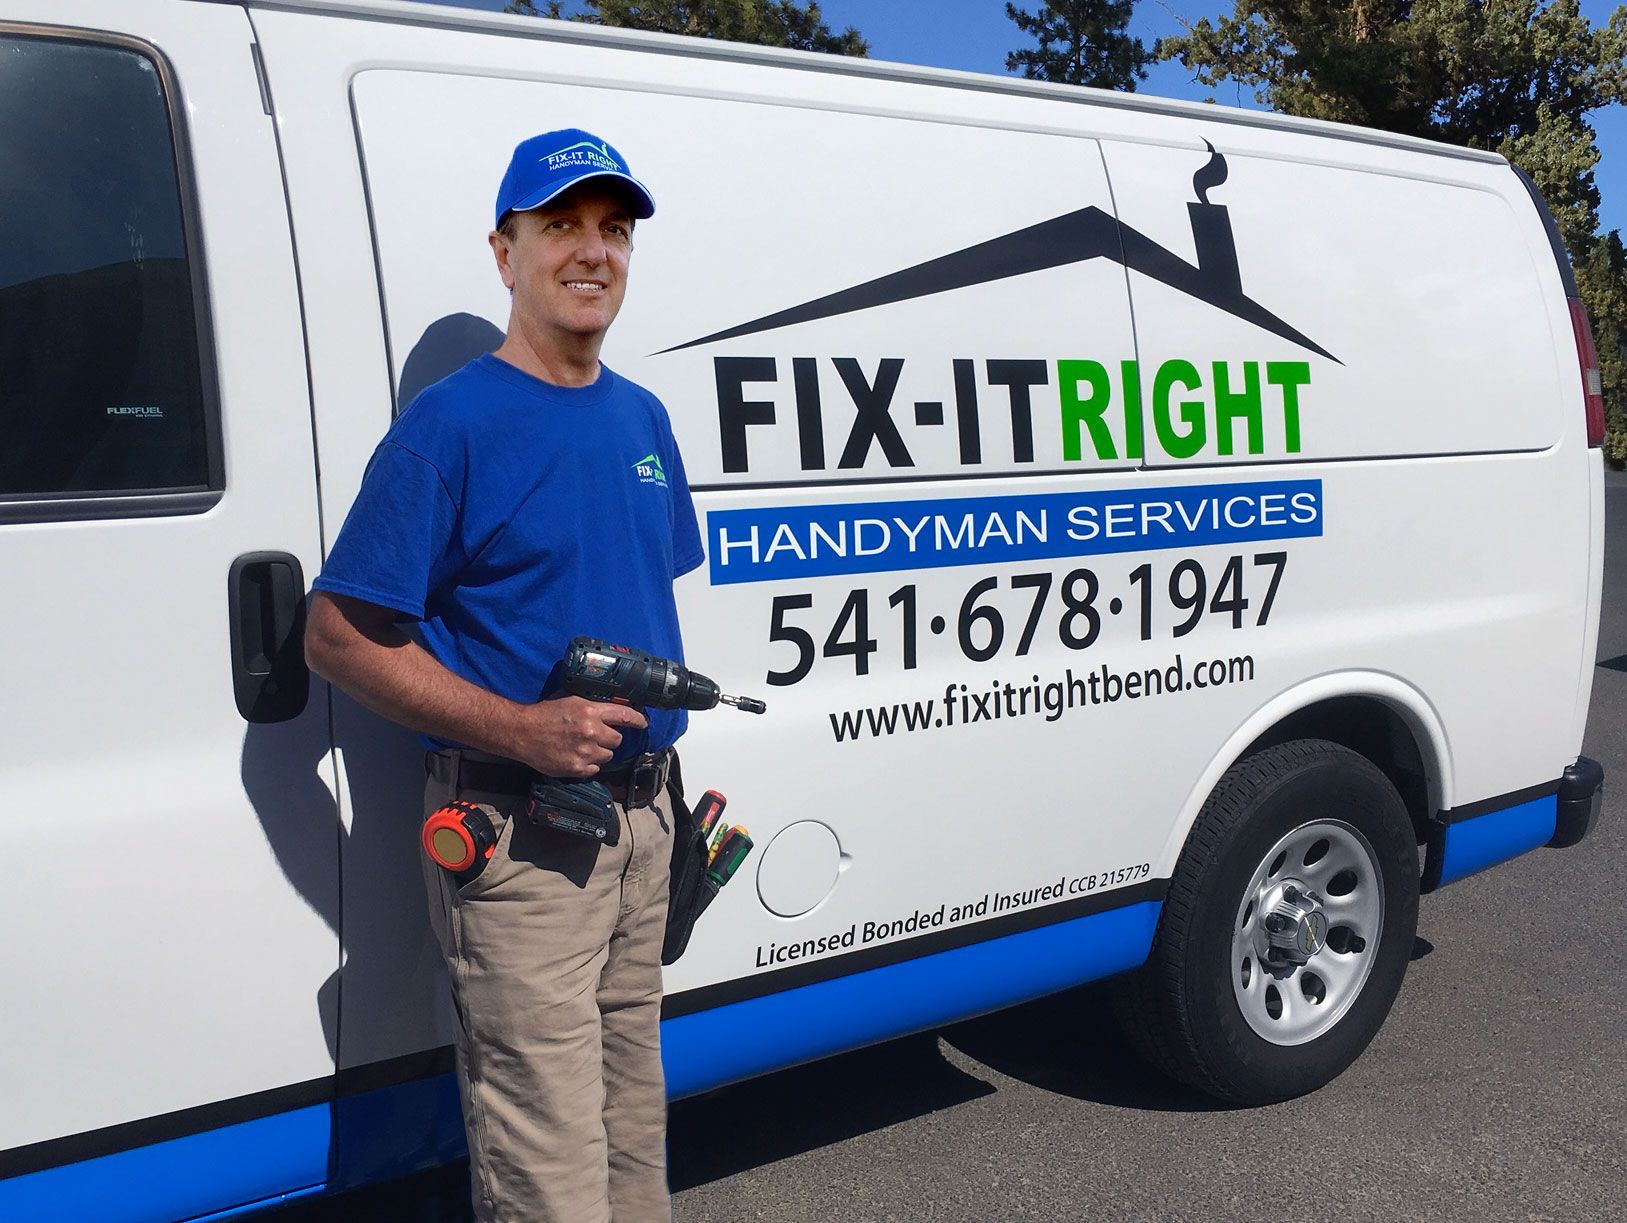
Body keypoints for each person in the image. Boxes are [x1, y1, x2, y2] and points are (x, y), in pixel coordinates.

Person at [304, 128, 702, 1223]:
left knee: (633, 1130)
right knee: (548, 1167)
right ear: (505, 250)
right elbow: (336, 636)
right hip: (519, 839)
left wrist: (659, 796)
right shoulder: (452, 424)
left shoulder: (641, 417)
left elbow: (634, 594)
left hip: (639, 828)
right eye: (561, 225)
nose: (592, 251)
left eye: (612, 229)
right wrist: (519, 729)